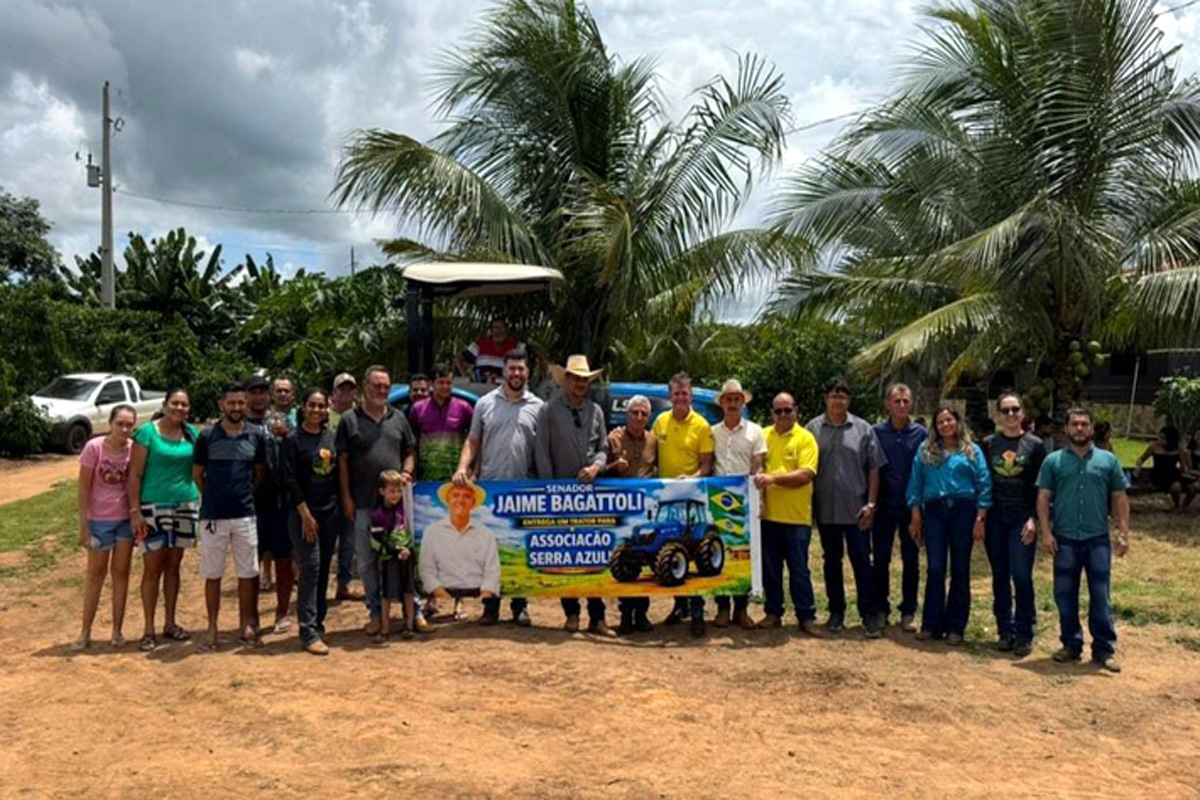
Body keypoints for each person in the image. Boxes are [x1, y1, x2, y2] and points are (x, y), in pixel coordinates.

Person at [1037, 407, 1131, 673]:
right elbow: (1043, 498)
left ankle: (1103, 650)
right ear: (1066, 429)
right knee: (1064, 595)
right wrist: (1046, 532)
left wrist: (1123, 533)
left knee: (1100, 596)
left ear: (1091, 428)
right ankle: (1071, 645)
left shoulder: (1108, 461)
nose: (1079, 428)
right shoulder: (1053, 461)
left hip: (1097, 540)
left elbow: (1120, 498)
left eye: (1084, 424)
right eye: (1074, 424)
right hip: (1065, 540)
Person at [453, 349, 542, 625]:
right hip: (490, 491)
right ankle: (490, 607)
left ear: (527, 373)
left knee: (519, 550)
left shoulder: (539, 407)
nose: (516, 374)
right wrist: (462, 468)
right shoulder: (485, 403)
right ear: (504, 372)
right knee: (490, 552)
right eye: (512, 368)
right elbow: (472, 440)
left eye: (521, 369)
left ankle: (520, 606)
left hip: (524, 491)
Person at [337, 365, 417, 638]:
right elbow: (343, 462)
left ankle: (412, 612)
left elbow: (410, 451)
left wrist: (406, 471)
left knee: (404, 557)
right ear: (365, 387)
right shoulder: (349, 420)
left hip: (396, 507)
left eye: (386, 386)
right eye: (376, 386)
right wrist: (346, 497)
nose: (381, 390)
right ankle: (375, 612)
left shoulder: (399, 418)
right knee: (367, 562)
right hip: (362, 504)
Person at [535, 355, 611, 636]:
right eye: (576, 378)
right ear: (565, 380)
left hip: (591, 495)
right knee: (565, 557)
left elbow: (603, 448)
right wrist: (549, 491)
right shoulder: (548, 410)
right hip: (560, 494)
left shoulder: (596, 411)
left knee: (594, 555)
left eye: (584, 380)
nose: (580, 384)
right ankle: (571, 613)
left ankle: (598, 616)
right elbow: (541, 452)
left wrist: (596, 467)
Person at [805, 377, 887, 637]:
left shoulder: (863, 429)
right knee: (831, 562)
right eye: (833, 395)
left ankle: (868, 614)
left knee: (862, 562)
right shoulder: (813, 429)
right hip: (826, 509)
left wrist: (871, 504)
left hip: (857, 510)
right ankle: (836, 611)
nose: (837, 400)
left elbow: (874, 468)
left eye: (842, 396)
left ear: (848, 400)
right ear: (826, 399)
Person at [906, 406, 992, 645]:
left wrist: (980, 519)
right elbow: (915, 483)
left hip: (964, 511)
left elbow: (984, 484)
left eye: (949, 420)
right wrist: (915, 515)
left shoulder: (972, 451)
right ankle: (931, 624)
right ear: (935, 426)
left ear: (958, 422)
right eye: (940, 421)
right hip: (934, 511)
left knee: (960, 568)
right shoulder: (925, 450)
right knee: (935, 568)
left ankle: (956, 627)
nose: (945, 425)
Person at [192, 382, 268, 652]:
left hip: (245, 515)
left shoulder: (256, 435)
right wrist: (213, 496)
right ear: (221, 404)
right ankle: (212, 629)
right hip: (213, 516)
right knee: (213, 574)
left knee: (248, 573)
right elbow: (197, 474)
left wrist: (244, 495)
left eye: (240, 403)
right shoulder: (207, 436)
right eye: (231, 403)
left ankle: (246, 625)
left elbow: (259, 474)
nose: (237, 408)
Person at [128, 388, 200, 652]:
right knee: (152, 569)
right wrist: (135, 512)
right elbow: (134, 475)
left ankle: (170, 623)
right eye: (175, 403)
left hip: (184, 505)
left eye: (184, 405)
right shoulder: (147, 433)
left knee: (173, 567)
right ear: (165, 404)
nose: (179, 408)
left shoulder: (192, 434)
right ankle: (148, 629)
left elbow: (199, 470)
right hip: (152, 508)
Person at [981, 392, 1046, 657]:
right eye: (1005, 410)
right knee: (1000, 576)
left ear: (1023, 412)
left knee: (1021, 575)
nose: (1010, 415)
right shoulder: (987, 444)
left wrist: (1034, 519)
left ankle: (1024, 632)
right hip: (996, 519)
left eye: (1015, 409)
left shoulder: (1036, 445)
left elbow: (1042, 487)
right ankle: (1004, 631)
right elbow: (982, 483)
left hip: (1022, 518)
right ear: (997, 415)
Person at [279, 387, 341, 655]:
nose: (317, 410)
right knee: (311, 567)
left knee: (325, 566)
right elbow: (289, 480)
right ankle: (307, 630)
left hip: (330, 513)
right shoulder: (292, 440)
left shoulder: (331, 437)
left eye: (321, 406)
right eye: (312, 405)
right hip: (303, 514)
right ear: (303, 408)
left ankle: (318, 619)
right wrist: (305, 514)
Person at [754, 392, 822, 636]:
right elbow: (756, 465)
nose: (783, 414)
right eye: (778, 410)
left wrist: (771, 478)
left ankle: (806, 616)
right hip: (768, 517)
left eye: (788, 410)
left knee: (799, 570)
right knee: (771, 570)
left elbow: (805, 475)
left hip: (796, 518)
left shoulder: (806, 439)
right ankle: (773, 612)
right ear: (772, 413)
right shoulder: (762, 435)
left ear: (796, 411)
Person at [653, 372, 715, 637]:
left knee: (694, 551)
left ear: (691, 396)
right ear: (670, 396)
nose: (680, 398)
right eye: (676, 393)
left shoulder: (702, 425)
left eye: (685, 394)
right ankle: (680, 606)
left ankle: (698, 609)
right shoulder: (660, 422)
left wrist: (691, 478)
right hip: (667, 497)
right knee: (671, 550)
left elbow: (707, 465)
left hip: (692, 496)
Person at [74, 404, 138, 650]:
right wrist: (84, 526)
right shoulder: (94, 448)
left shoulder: (134, 450)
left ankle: (117, 630)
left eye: (129, 425)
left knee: (121, 575)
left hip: (124, 521)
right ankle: (85, 630)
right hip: (99, 521)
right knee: (95, 575)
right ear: (110, 424)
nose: (124, 429)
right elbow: (83, 488)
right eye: (119, 423)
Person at [710, 379, 765, 630]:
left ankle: (741, 610)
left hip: (745, 501)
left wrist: (759, 500)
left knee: (743, 554)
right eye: (728, 399)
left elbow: (758, 466)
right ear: (722, 403)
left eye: (736, 399)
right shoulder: (712, 432)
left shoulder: (756, 431)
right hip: (718, 500)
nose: (732, 404)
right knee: (719, 552)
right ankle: (722, 607)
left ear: (743, 403)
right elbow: (708, 464)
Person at [872, 383, 926, 633]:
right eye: (897, 401)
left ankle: (908, 611)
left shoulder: (922, 435)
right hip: (883, 505)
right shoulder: (875, 433)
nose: (902, 405)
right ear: (887, 404)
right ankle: (880, 609)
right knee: (881, 559)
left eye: (906, 401)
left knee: (911, 560)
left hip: (911, 507)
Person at [605, 395, 657, 635]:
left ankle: (642, 614)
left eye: (643, 414)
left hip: (646, 510)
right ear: (626, 414)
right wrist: (614, 467)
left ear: (648, 417)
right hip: (621, 510)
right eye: (634, 413)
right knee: (626, 561)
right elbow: (601, 471)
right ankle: (625, 614)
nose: (638, 418)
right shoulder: (614, 438)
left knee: (647, 560)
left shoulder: (654, 440)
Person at [419, 482, 501, 619]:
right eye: (455, 495)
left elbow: (493, 570)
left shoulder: (486, 533)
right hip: (444, 588)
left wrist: (484, 595)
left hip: (476, 588)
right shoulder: (432, 532)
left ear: (473, 502)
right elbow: (426, 570)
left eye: (467, 496)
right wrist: (442, 595)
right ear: (448, 500)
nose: (461, 500)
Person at [254, 376, 298, 631]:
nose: (281, 394)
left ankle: (282, 613)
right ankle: (251, 617)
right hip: (256, 503)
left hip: (285, 501)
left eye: (286, 390)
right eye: (277, 391)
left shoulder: (295, 422)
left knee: (285, 560)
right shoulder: (252, 425)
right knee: (251, 565)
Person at [370, 470, 416, 645]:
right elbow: (378, 541)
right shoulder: (377, 515)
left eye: (398, 491)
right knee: (387, 595)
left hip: (407, 555)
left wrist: (408, 549)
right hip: (390, 559)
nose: (396, 495)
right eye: (391, 491)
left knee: (409, 592)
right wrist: (397, 551)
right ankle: (384, 630)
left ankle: (409, 626)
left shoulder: (403, 507)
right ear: (382, 491)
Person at [409, 363, 474, 482]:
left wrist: (470, 469)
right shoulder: (418, 409)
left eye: (448, 383)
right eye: (441, 382)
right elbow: (412, 445)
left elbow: (474, 440)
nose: (445, 386)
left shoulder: (464, 408)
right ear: (431, 384)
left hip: (457, 480)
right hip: (425, 480)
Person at [328, 371, 359, 601]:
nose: (346, 394)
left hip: (351, 487)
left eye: (350, 389)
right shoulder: (322, 417)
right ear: (333, 393)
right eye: (342, 389)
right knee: (326, 540)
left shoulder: (359, 418)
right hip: (326, 488)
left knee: (349, 540)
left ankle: (343, 584)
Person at [1134, 426, 1197, 511]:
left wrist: (1188, 470)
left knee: (1177, 487)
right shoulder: (1154, 446)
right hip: (1159, 475)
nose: (1159, 439)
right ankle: (1178, 506)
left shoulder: (1178, 449)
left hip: (1173, 474)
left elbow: (1183, 467)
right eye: (1159, 437)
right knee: (1175, 486)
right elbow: (1141, 459)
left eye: (1163, 438)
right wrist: (1138, 468)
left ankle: (1179, 505)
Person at [458, 317, 524, 383]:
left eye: (501, 328)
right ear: (491, 330)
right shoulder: (480, 344)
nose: (499, 331)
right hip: (481, 386)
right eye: (496, 328)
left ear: (506, 330)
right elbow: (459, 359)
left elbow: (527, 363)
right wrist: (466, 376)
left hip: (507, 387)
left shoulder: (515, 347)